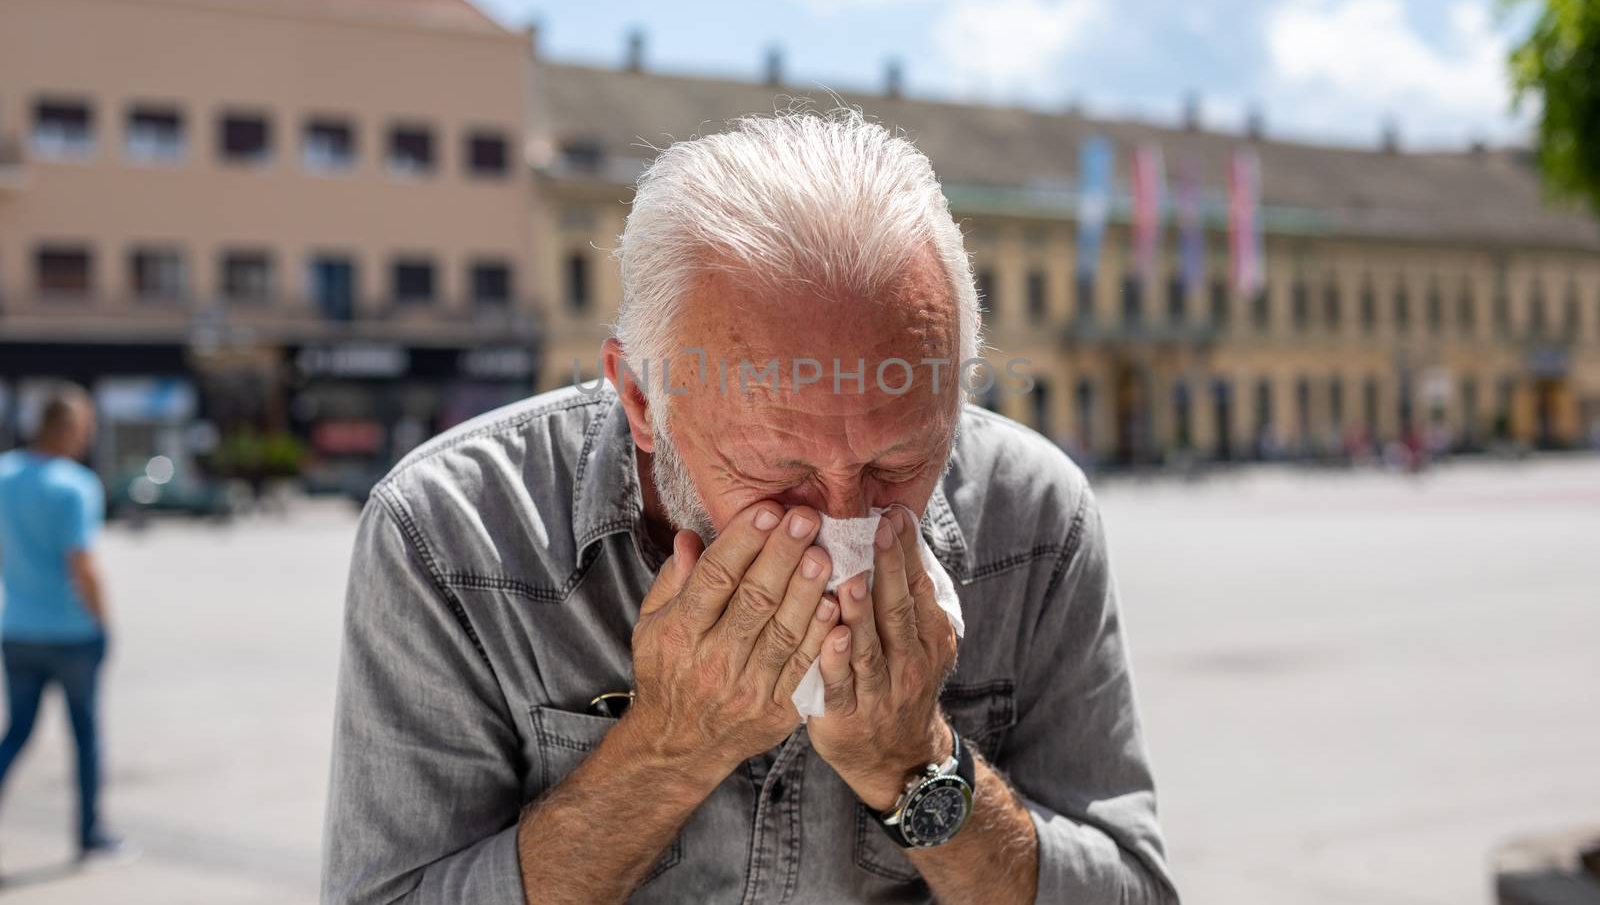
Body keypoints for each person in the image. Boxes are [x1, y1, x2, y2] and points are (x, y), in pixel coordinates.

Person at [322, 111, 1179, 904]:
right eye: (781, 472)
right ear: (641, 400)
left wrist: (918, 763)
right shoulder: (450, 533)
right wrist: (669, 745)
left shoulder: (1033, 514)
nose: (844, 516)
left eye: (897, 462)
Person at [0, 384, 133, 865]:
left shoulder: (4, 475)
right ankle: (89, 833)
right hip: (71, 633)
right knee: (85, 735)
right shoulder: (74, 484)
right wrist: (103, 621)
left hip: (17, 628)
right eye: (87, 425)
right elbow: (83, 566)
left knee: (16, 734)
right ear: (69, 427)